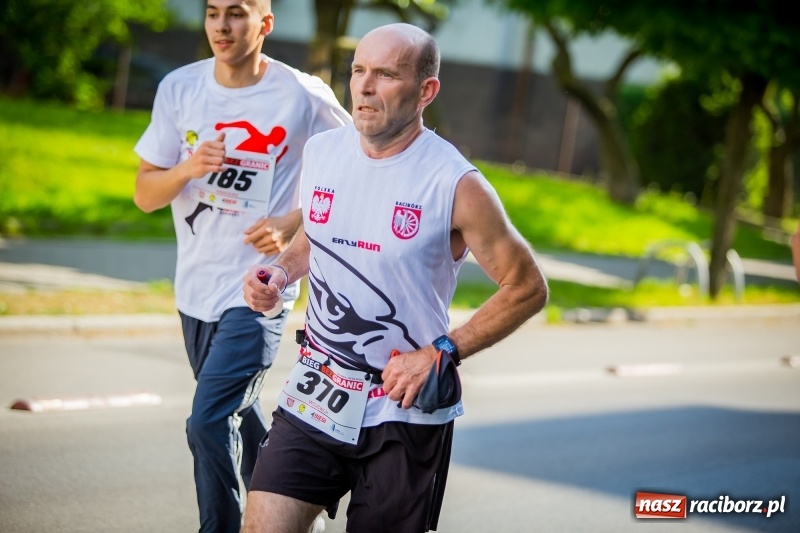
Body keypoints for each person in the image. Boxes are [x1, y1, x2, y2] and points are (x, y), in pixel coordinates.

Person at [240, 22, 549, 533]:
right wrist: (278, 271)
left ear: (426, 91)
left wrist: (442, 352)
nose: (363, 85)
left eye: (385, 74)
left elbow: (528, 287)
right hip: (318, 391)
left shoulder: (455, 183)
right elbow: (317, 237)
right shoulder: (322, 153)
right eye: (359, 70)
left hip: (401, 413)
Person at [132, 1, 350, 531]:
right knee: (238, 414)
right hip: (196, 288)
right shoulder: (180, 88)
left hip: (262, 285)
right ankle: (296, 511)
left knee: (208, 420)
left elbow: (356, 166)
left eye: (236, 13)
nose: (222, 27)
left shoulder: (301, 94)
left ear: (265, 24)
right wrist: (189, 166)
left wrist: (292, 222)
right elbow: (144, 193)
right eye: (212, 14)